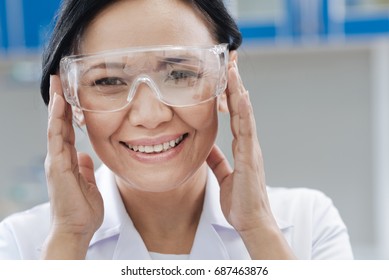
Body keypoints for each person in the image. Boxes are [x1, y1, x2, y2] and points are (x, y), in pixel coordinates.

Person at [0, 0, 353, 260]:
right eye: (108, 80)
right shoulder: (21, 244)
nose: (150, 115)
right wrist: (70, 239)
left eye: (181, 74)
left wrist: (259, 229)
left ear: (226, 77)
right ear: (71, 98)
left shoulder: (308, 223)